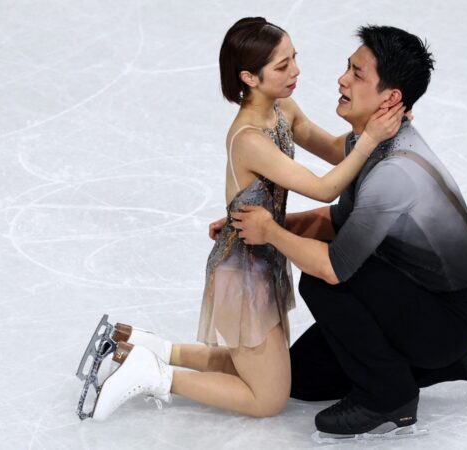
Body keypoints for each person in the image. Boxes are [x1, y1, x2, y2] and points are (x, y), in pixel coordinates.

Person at [84, 17, 406, 421]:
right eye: (282, 66)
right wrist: (372, 140)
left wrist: (377, 124)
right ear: (249, 77)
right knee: (268, 399)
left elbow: (333, 149)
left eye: (294, 59)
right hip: (243, 272)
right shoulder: (250, 137)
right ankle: (156, 375)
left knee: (262, 370)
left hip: (265, 256)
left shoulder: (281, 108)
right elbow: (324, 188)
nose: (296, 71)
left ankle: (154, 348)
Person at [231, 25, 467, 440]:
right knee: (303, 381)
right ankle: (460, 359)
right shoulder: (368, 140)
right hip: (406, 287)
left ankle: (392, 398)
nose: (342, 79)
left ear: (391, 100)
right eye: (347, 68)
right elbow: (338, 217)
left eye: (357, 74)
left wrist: (271, 232)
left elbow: (333, 267)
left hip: (444, 314)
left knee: (321, 280)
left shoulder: (394, 174)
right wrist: (254, 226)